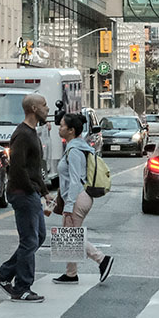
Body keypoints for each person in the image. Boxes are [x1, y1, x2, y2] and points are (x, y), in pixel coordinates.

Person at [0, 93, 50, 303]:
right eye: (44, 105)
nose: (48, 108)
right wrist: (33, 190)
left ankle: (4, 273)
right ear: (33, 108)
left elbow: (35, 168)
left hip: (30, 192)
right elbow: (18, 168)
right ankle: (22, 287)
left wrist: (44, 191)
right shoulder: (22, 134)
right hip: (22, 194)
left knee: (38, 237)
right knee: (29, 240)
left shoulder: (32, 132)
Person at [52, 113, 112, 284]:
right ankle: (71, 274)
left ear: (71, 130)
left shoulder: (75, 150)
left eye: (62, 126)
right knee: (69, 236)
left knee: (72, 236)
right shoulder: (76, 146)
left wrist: (69, 206)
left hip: (78, 198)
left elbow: (75, 181)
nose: (59, 128)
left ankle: (102, 260)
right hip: (78, 197)